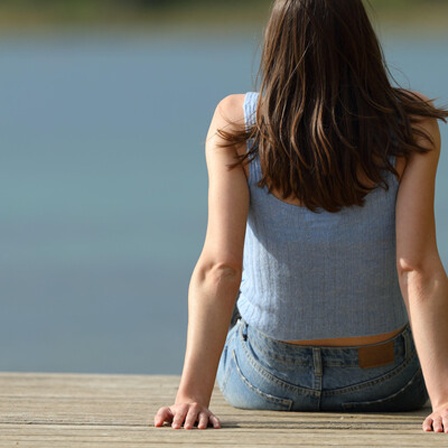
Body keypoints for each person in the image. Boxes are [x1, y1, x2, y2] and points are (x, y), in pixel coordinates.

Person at [154, 0, 448, 433]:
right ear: (362, 42)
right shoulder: (412, 124)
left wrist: (191, 398)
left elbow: (221, 267)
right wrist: (442, 400)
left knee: (243, 309)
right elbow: (416, 269)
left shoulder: (237, 124)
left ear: (278, 44)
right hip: (384, 379)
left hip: (267, 378)